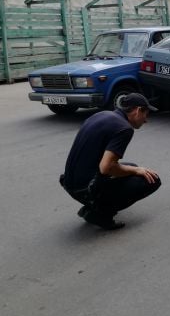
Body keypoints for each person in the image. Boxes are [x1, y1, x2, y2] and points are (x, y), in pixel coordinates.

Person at [60, 93, 161, 229]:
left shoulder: (103, 115)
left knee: (133, 168)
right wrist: (136, 170)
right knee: (151, 180)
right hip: (84, 189)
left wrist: (134, 169)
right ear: (138, 110)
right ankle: (100, 213)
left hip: (69, 182)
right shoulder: (125, 128)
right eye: (146, 114)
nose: (146, 120)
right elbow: (106, 168)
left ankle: (93, 206)